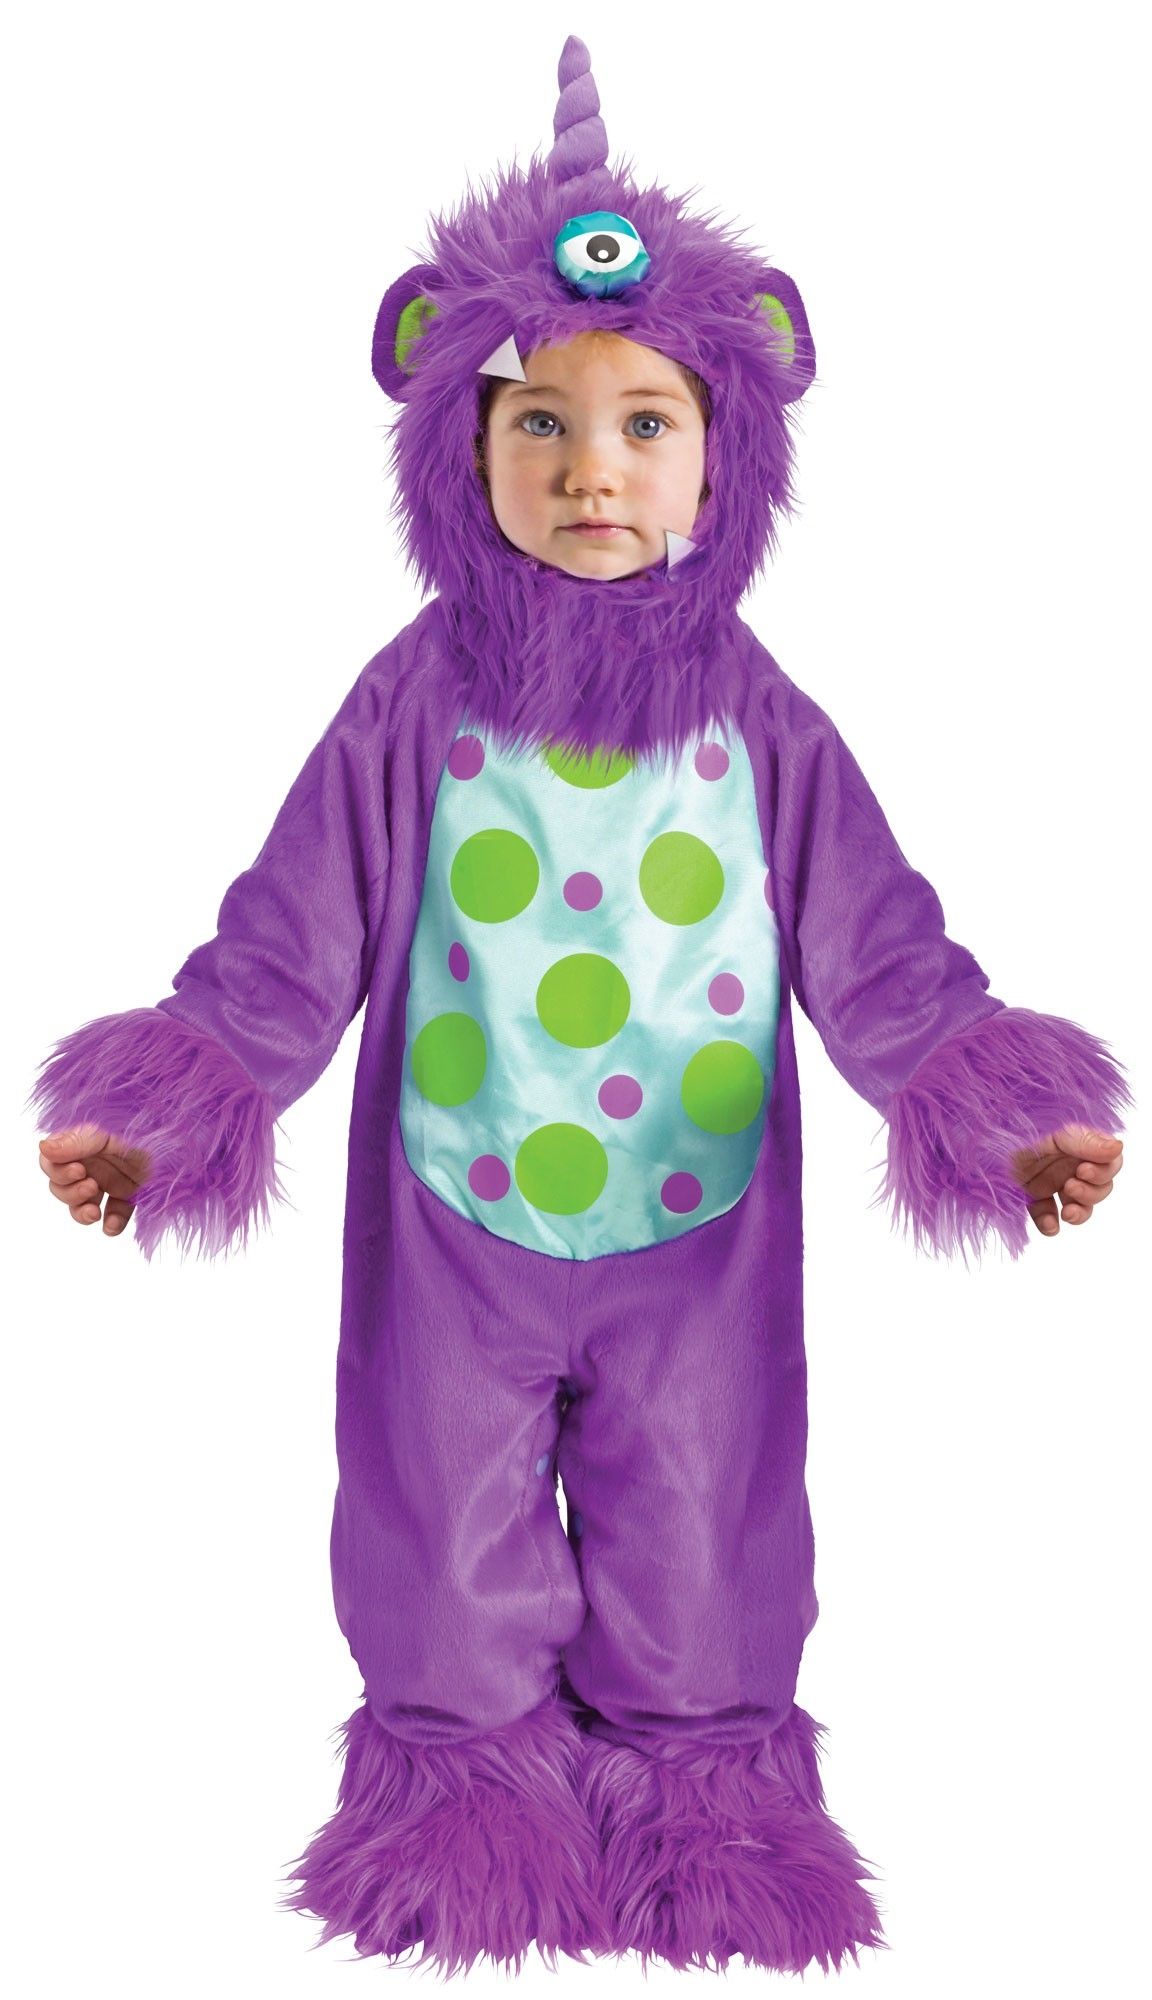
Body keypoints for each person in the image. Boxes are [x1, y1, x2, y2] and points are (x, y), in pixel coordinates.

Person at [29, 34, 1128, 1979]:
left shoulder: (759, 715)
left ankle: (713, 1809)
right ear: (460, 451)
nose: (592, 470)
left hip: (700, 1229)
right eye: (538, 423)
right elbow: (291, 933)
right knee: (431, 1526)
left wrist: (993, 1105)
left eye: (645, 424)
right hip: (453, 1216)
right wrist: (178, 1098)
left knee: (709, 1520)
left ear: (725, 451)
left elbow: (880, 943)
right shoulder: (411, 698)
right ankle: (463, 1817)